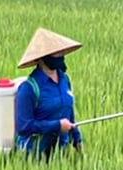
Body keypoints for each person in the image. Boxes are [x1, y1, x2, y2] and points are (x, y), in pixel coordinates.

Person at [14, 28, 83, 160]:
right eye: (56, 53)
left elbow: (69, 114)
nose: (61, 55)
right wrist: (57, 125)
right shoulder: (28, 88)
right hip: (35, 155)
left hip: (60, 152)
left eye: (61, 52)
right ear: (42, 58)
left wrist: (77, 140)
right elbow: (24, 126)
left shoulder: (64, 79)